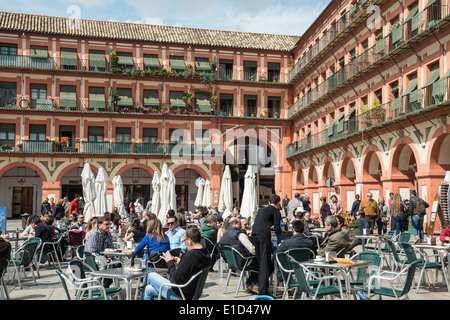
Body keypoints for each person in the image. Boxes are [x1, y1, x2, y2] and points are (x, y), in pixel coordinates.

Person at [142, 227, 211, 300]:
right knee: (148, 289)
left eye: (184, 241)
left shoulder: (191, 256)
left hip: (181, 294)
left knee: (150, 275)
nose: (184, 243)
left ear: (189, 241)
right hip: (190, 292)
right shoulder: (204, 252)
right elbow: (192, 267)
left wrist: (170, 262)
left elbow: (174, 279)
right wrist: (181, 263)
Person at [251, 194, 282, 296]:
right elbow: (278, 229)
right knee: (265, 263)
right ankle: (263, 292)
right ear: (278, 203)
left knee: (261, 261)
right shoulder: (276, 211)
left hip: (255, 234)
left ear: (269, 202)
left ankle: (260, 286)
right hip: (263, 236)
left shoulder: (263, 210)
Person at [218, 216, 259, 293]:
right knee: (265, 262)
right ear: (235, 224)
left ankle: (250, 283)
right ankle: (255, 283)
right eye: (240, 224)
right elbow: (253, 250)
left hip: (233, 263)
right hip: (243, 262)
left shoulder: (225, 233)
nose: (241, 226)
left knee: (258, 261)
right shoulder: (239, 234)